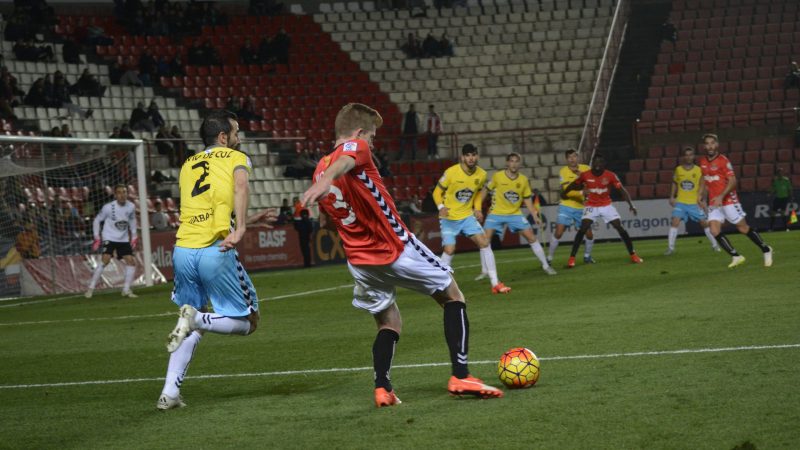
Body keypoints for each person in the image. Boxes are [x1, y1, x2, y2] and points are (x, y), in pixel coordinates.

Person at [301, 103, 503, 407]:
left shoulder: (319, 167)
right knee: (452, 294)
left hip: (360, 262)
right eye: (372, 136)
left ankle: (383, 388)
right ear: (358, 133)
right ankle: (461, 375)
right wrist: (330, 179)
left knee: (388, 322)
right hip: (394, 247)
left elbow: (326, 222)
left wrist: (325, 184)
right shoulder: (351, 152)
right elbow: (344, 160)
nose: (373, 144)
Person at [157, 110, 261, 410]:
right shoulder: (234, 157)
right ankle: (195, 317)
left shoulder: (188, 164)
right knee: (248, 322)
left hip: (183, 250)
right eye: (237, 132)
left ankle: (170, 393)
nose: (239, 138)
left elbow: (209, 205)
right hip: (215, 250)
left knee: (193, 325)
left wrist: (248, 220)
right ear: (223, 137)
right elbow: (241, 187)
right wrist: (241, 227)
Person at [433, 144, 511, 293]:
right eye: (468, 155)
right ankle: (438, 283)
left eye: (473, 155)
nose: (471, 158)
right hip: (449, 218)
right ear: (462, 157)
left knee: (484, 243)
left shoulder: (481, 174)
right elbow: (437, 192)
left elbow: (476, 193)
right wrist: (440, 207)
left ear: (477, 156)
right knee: (449, 250)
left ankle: (495, 283)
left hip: (467, 217)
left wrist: (477, 209)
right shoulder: (451, 172)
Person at [698, 133, 772, 268]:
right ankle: (736, 256)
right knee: (714, 230)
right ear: (704, 146)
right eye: (707, 143)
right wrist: (700, 194)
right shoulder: (702, 161)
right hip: (714, 202)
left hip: (728, 200)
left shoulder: (723, 161)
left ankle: (766, 249)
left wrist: (721, 196)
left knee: (743, 228)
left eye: (712, 143)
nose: (710, 146)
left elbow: (733, 181)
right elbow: (703, 178)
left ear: (717, 145)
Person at [478, 153, 556, 278]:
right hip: (496, 213)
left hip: (514, 214)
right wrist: (477, 208)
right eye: (512, 161)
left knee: (532, 238)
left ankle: (546, 266)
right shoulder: (498, 176)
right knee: (484, 241)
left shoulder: (523, 180)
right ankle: (484, 271)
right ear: (507, 163)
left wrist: (535, 215)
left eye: (516, 161)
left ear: (519, 163)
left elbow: (527, 200)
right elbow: (486, 189)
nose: (514, 164)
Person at [562, 154, 643, 268]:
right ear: (593, 163)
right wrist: (564, 193)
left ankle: (633, 255)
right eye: (595, 162)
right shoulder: (585, 175)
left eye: (600, 162)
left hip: (606, 205)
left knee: (620, 227)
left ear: (604, 164)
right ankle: (572, 258)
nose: (597, 164)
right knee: (583, 228)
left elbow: (622, 190)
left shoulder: (610, 175)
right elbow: (573, 185)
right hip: (591, 205)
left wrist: (631, 205)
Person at [85, 184, 139, 298]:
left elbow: (132, 220)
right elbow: (97, 220)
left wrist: (134, 236)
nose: (122, 195)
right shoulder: (108, 207)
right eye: (119, 192)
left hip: (123, 239)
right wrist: (97, 237)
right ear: (115, 195)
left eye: (124, 192)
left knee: (131, 261)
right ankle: (90, 288)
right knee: (105, 260)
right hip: (109, 237)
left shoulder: (131, 206)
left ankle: (126, 290)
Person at [664, 146, 720, 255]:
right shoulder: (678, 169)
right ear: (684, 157)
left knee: (704, 224)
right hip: (681, 201)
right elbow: (675, 183)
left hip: (694, 202)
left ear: (693, 156)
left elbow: (703, 186)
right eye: (686, 155)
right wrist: (672, 197)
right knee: (674, 222)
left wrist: (703, 200)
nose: (689, 157)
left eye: (691, 154)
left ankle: (715, 245)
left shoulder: (699, 170)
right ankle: (670, 248)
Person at [547, 149, 596, 264]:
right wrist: (582, 192)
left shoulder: (585, 168)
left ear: (577, 158)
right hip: (566, 205)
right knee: (558, 232)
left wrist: (583, 178)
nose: (572, 159)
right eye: (569, 157)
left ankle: (587, 256)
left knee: (589, 234)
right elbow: (567, 191)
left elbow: (592, 183)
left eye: (574, 156)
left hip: (582, 208)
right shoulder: (563, 171)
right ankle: (549, 258)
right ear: (566, 159)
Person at [768, 166, 793, 231]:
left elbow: (789, 189)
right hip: (777, 199)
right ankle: (771, 228)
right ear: (777, 173)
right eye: (779, 172)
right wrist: (770, 194)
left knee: (783, 213)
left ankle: (786, 228)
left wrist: (791, 197)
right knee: (773, 213)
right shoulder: (775, 181)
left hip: (784, 199)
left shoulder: (786, 180)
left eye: (781, 172)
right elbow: (773, 189)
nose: (780, 174)